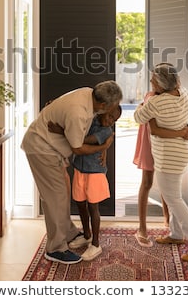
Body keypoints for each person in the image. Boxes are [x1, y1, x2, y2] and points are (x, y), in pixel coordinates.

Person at [21, 80, 123, 265]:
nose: (112, 113)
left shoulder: (88, 93)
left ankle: (67, 232)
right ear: (103, 105)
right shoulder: (79, 113)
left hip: (52, 149)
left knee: (63, 192)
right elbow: (77, 148)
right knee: (56, 198)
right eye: (112, 108)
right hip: (42, 149)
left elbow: (71, 125)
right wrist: (104, 146)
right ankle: (56, 248)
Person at [134, 63, 188, 261]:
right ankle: (177, 235)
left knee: (174, 200)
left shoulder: (155, 102)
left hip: (167, 158)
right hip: (183, 152)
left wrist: (143, 104)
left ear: (160, 85)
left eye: (153, 81)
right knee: (173, 196)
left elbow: (138, 117)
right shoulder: (184, 94)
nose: (151, 84)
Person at [133, 89, 188, 248]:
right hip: (151, 141)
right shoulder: (152, 97)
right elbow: (153, 127)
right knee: (147, 183)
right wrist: (183, 131)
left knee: (167, 188)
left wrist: (186, 128)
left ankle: (170, 224)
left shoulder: (175, 96)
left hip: (165, 146)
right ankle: (142, 228)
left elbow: (177, 119)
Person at [67, 105, 122, 261]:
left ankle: (96, 244)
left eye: (114, 120)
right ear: (104, 110)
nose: (111, 122)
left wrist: (67, 134)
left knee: (93, 207)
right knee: (80, 203)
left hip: (95, 172)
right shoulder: (90, 119)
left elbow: (84, 140)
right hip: (79, 168)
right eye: (110, 116)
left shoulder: (106, 131)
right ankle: (86, 235)